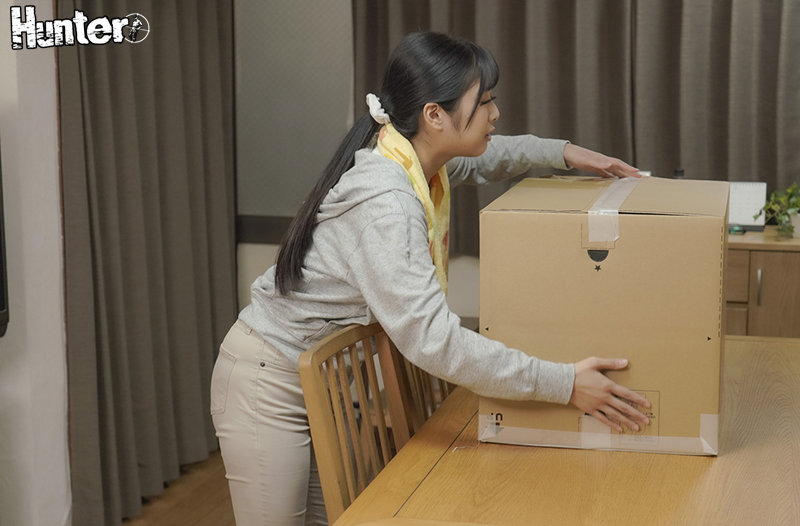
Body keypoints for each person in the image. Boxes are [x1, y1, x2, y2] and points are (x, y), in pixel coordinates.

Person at [210, 31, 651, 526]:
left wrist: (566, 153)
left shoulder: (416, 161)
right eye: (484, 102)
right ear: (434, 116)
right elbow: (434, 342)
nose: (495, 114)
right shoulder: (388, 204)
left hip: (319, 381)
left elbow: (495, 154)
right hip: (268, 382)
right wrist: (564, 383)